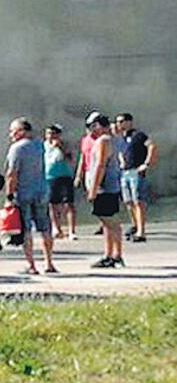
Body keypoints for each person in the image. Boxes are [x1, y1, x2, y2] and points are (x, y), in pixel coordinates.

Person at [5, 118, 56, 274]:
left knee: (26, 229)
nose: (11, 135)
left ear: (21, 131)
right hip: (41, 190)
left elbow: (12, 173)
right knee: (45, 228)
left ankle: (31, 265)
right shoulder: (39, 144)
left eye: (13, 131)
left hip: (24, 192)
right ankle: (49, 262)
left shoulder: (17, 148)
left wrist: (9, 195)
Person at [85, 112, 125, 268]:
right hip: (110, 186)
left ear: (99, 126)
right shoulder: (112, 139)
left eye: (92, 126)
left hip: (105, 187)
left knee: (110, 221)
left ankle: (116, 254)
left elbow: (101, 165)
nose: (90, 130)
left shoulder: (104, 141)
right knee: (107, 223)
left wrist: (93, 189)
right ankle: (109, 254)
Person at [116, 113, 157, 243]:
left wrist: (146, 164)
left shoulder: (138, 135)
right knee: (128, 202)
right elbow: (120, 151)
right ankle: (135, 225)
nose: (119, 124)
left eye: (121, 121)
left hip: (136, 171)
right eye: (117, 121)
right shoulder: (121, 138)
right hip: (125, 172)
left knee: (138, 201)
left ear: (129, 122)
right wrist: (121, 161)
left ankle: (141, 231)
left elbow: (151, 146)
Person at [44, 125, 76, 239]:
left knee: (68, 204)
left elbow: (70, 158)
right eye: (48, 133)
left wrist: (60, 147)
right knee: (53, 204)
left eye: (53, 133)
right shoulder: (43, 146)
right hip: (50, 176)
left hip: (65, 175)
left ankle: (72, 230)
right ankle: (56, 228)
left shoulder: (65, 144)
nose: (51, 136)